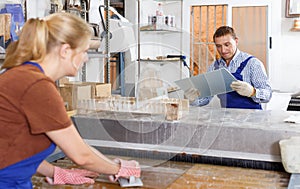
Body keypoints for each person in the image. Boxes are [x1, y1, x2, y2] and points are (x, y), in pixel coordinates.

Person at [0, 12, 141, 188]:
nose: (86, 58)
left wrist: (55, 172)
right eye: (83, 51)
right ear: (65, 51)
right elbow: (81, 155)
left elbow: (14, 148)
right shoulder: (37, 86)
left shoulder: (23, 75)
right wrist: (119, 169)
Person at [186, 26, 272, 109]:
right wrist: (193, 99)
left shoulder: (253, 64)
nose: (223, 50)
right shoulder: (214, 67)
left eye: (227, 45)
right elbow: (205, 99)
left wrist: (252, 92)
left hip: (252, 119)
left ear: (236, 41)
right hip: (227, 119)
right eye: (219, 46)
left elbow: (268, 95)